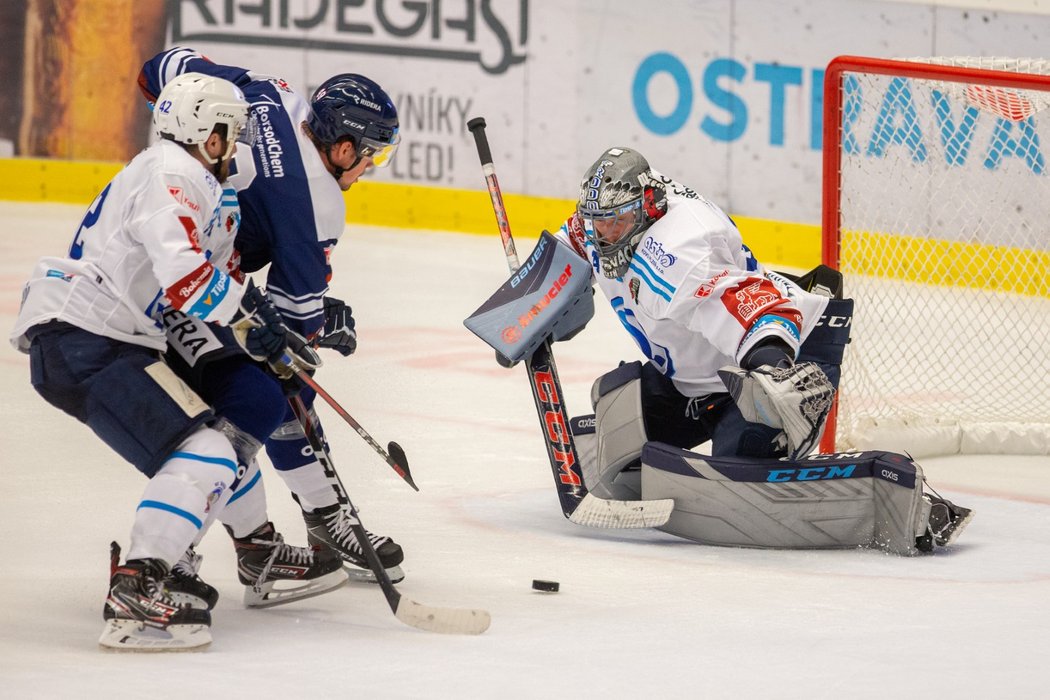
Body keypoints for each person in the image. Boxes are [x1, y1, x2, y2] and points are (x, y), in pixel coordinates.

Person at [471, 146, 972, 555]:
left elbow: (744, 303)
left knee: (737, 465)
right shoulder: (610, 218)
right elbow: (570, 251)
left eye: (615, 224)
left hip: (783, 354)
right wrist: (527, 312)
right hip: (700, 377)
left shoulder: (678, 250)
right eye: (598, 221)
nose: (603, 234)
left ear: (647, 208)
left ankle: (886, 488)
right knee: (616, 422)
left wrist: (773, 366)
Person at [8, 73, 345, 652]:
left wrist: (266, 318)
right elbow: (186, 278)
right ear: (207, 136)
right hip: (86, 336)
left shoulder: (194, 181)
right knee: (210, 450)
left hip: (106, 335)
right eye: (230, 135)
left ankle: (252, 548)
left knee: (222, 431)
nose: (236, 147)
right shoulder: (173, 173)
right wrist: (249, 317)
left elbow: (216, 272)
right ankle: (139, 587)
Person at [137, 48, 406, 589]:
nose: (369, 167)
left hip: (151, 243)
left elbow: (157, 70)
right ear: (344, 146)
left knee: (259, 387)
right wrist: (315, 326)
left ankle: (304, 520)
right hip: (174, 290)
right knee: (270, 390)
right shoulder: (319, 208)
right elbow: (289, 339)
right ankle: (298, 523)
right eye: (369, 155)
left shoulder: (270, 92)